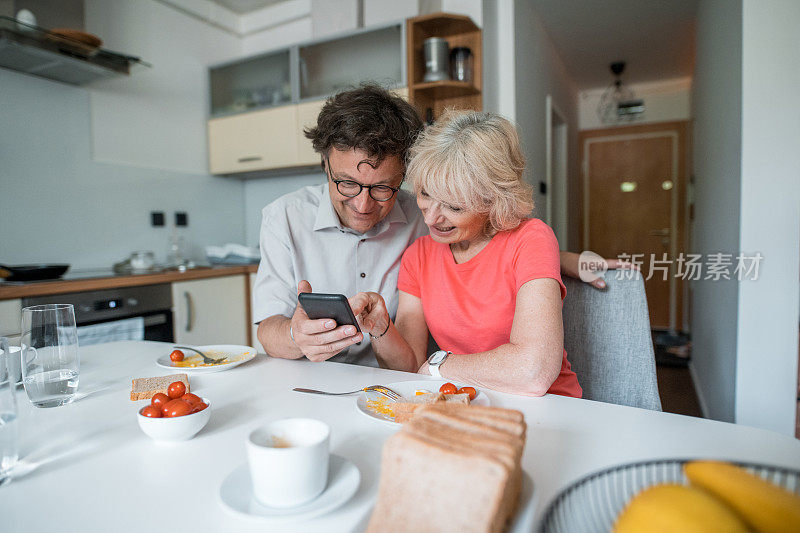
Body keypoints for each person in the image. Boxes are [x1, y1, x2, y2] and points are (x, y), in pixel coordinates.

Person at [252, 84, 624, 368]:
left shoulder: (422, 214)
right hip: (311, 377)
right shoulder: (285, 217)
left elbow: (497, 240)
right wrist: (296, 335)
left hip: (401, 383)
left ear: (403, 177)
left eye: (383, 188)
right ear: (325, 167)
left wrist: (558, 257)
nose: (364, 204)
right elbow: (267, 329)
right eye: (346, 183)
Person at [352, 110, 582, 397]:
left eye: (454, 207)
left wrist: (440, 365)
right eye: (425, 194)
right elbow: (410, 369)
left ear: (494, 201)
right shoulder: (419, 256)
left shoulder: (530, 238)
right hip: (465, 401)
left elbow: (533, 373)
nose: (431, 219)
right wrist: (382, 329)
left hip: (549, 406)